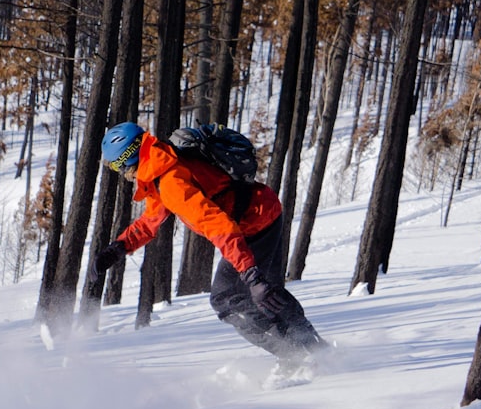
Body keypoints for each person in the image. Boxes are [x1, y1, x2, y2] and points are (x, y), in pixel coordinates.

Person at [92, 121, 331, 374]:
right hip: (261, 211)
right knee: (263, 295)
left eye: (117, 166)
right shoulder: (162, 164)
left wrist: (251, 274)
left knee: (228, 300)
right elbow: (151, 220)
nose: (121, 173)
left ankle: (295, 354)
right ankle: (314, 350)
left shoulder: (170, 182)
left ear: (128, 157)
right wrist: (118, 248)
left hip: (253, 223)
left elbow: (220, 228)